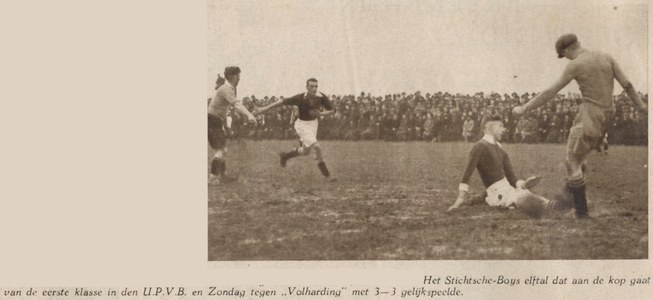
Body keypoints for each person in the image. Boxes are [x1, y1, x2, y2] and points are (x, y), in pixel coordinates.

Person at [512, 33, 647, 218]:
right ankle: (568, 201)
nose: (565, 58)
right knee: (579, 159)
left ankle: (581, 212)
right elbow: (628, 85)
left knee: (572, 162)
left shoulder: (575, 64)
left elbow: (551, 91)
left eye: (563, 54)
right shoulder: (606, 57)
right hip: (605, 116)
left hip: (589, 114)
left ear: (567, 49)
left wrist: (524, 108)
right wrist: (642, 107)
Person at [447, 115, 566, 216]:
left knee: (526, 193)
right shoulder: (480, 146)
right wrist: (460, 199)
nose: (503, 129)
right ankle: (556, 206)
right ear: (490, 127)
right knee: (524, 200)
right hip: (496, 191)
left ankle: (557, 205)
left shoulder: (500, 148)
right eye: (500, 126)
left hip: (507, 187)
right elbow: (467, 173)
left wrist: (524, 184)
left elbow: (511, 177)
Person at [253, 78, 337, 182]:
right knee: (316, 147)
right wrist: (264, 109)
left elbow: (332, 110)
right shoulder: (300, 97)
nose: (314, 89)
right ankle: (328, 176)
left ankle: (285, 156)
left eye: (316, 86)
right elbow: (282, 102)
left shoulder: (321, 96)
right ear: (306, 87)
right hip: (301, 125)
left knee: (305, 152)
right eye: (311, 86)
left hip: (313, 124)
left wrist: (320, 114)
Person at [207, 66, 257, 184]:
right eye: (238, 76)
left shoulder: (229, 89)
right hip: (212, 119)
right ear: (233, 77)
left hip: (216, 120)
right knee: (222, 150)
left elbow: (223, 109)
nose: (239, 78)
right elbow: (236, 105)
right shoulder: (225, 89)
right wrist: (249, 115)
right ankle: (212, 179)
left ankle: (223, 176)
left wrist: (226, 126)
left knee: (223, 148)